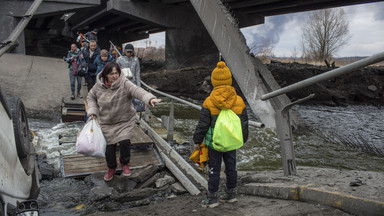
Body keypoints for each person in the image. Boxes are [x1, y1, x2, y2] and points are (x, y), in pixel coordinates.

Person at [87, 62, 161, 181]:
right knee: (109, 147)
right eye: (112, 74)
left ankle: (125, 163)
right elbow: (90, 98)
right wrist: (93, 112)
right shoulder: (98, 86)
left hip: (124, 120)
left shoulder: (124, 83)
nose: (115, 76)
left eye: (117, 73)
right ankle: (111, 167)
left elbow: (137, 90)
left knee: (124, 142)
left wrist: (150, 98)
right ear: (105, 74)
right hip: (106, 122)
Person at [193, 61, 249, 208]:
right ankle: (230, 194)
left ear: (214, 81)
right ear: (229, 79)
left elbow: (203, 124)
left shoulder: (209, 101)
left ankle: (212, 199)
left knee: (214, 169)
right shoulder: (239, 100)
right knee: (231, 167)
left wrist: (197, 141)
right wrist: (243, 139)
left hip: (214, 143)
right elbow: (244, 123)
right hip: (231, 141)